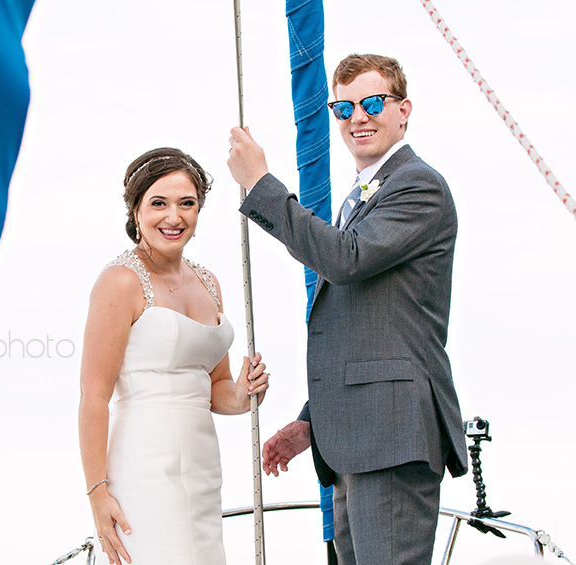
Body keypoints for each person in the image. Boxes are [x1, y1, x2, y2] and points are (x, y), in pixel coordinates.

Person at [227, 54, 468, 564]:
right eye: (344, 107)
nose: (358, 116)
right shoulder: (359, 199)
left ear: (403, 110)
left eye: (373, 102)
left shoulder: (418, 185)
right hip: (356, 440)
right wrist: (313, 422)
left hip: (392, 436)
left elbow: (345, 260)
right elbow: (371, 325)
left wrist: (261, 185)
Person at [78, 147, 269, 565]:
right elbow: (94, 398)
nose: (173, 216)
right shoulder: (119, 283)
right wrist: (98, 493)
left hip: (203, 465)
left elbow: (216, 387)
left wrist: (243, 392)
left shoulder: (209, 282)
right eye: (158, 203)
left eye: (187, 204)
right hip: (143, 464)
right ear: (136, 210)